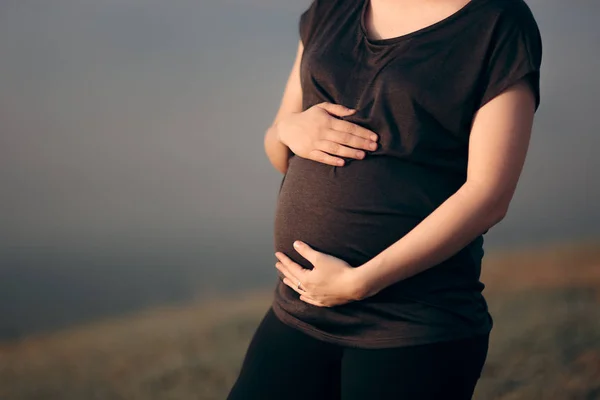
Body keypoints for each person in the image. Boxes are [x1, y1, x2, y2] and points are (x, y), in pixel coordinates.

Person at [227, 0, 542, 398]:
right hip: (300, 310)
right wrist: (289, 130)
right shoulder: (332, 8)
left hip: (413, 324)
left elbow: (489, 194)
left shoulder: (498, 22)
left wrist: (360, 282)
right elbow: (278, 148)